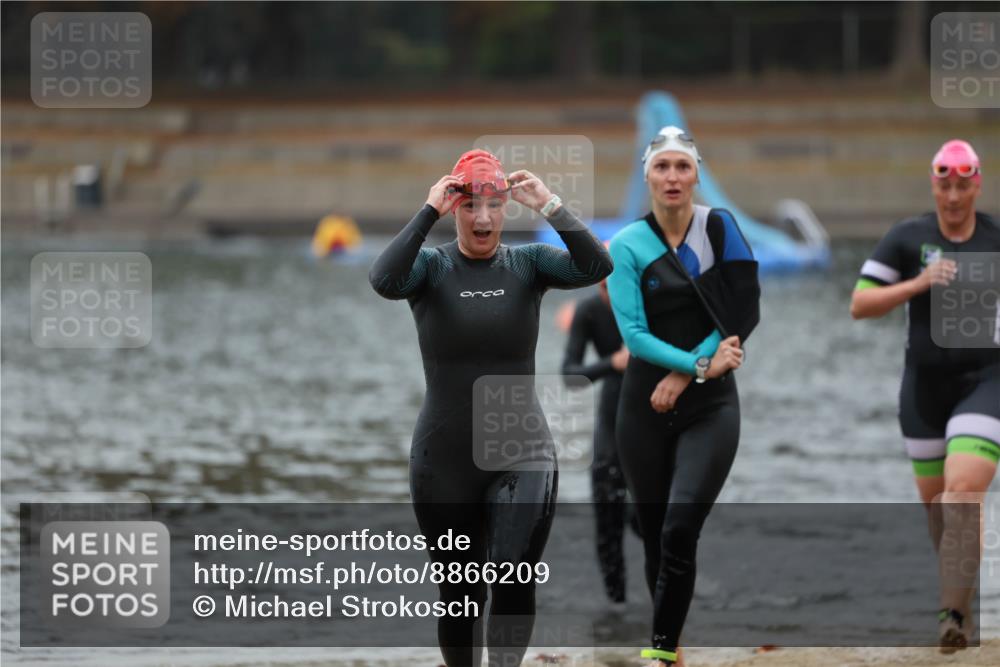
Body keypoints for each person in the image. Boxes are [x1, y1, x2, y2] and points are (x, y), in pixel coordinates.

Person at [368, 149, 612, 667]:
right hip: (444, 459)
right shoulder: (431, 268)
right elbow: (383, 280)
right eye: (470, 206)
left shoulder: (529, 263)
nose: (482, 219)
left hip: (521, 448)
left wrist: (549, 204)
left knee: (513, 577)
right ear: (455, 208)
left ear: (506, 207)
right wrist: (427, 210)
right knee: (460, 598)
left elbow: (597, 265)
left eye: (494, 205)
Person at [607, 126, 760, 667]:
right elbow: (634, 336)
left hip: (711, 405)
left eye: (683, 167)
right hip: (643, 408)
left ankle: (662, 649)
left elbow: (744, 311)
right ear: (646, 176)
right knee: (653, 534)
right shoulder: (626, 244)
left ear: (697, 174)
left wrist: (696, 377)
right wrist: (696, 364)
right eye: (662, 167)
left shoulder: (719, 227)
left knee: (679, 526)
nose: (673, 177)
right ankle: (670, 640)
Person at [850, 139, 1000, 653]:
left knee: (963, 493)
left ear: (977, 184)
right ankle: (960, 605)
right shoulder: (907, 237)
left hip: (988, 380)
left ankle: (952, 615)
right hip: (924, 388)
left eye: (964, 184)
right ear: (934, 185)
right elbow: (860, 305)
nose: (954, 195)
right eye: (945, 184)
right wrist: (918, 284)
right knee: (939, 509)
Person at [560, 275, 632, 604]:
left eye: (619, 285)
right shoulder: (588, 311)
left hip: (652, 410)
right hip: (612, 412)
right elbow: (570, 374)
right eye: (605, 287)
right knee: (606, 515)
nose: (612, 294)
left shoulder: (647, 306)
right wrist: (612, 363)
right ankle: (616, 608)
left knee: (654, 518)